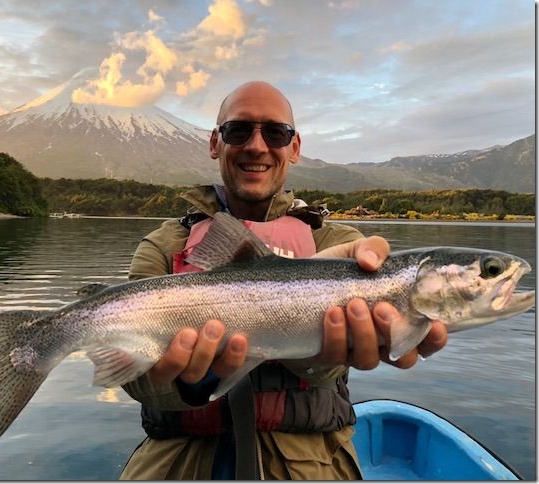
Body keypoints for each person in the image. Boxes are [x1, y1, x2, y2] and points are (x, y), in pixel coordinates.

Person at [119, 81, 448, 480]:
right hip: (177, 461)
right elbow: (132, 378)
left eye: (276, 133)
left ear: (294, 147)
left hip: (307, 462)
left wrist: (317, 355)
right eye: (238, 130)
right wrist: (193, 381)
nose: (257, 146)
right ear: (214, 142)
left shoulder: (342, 245)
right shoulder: (162, 246)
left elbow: (333, 372)